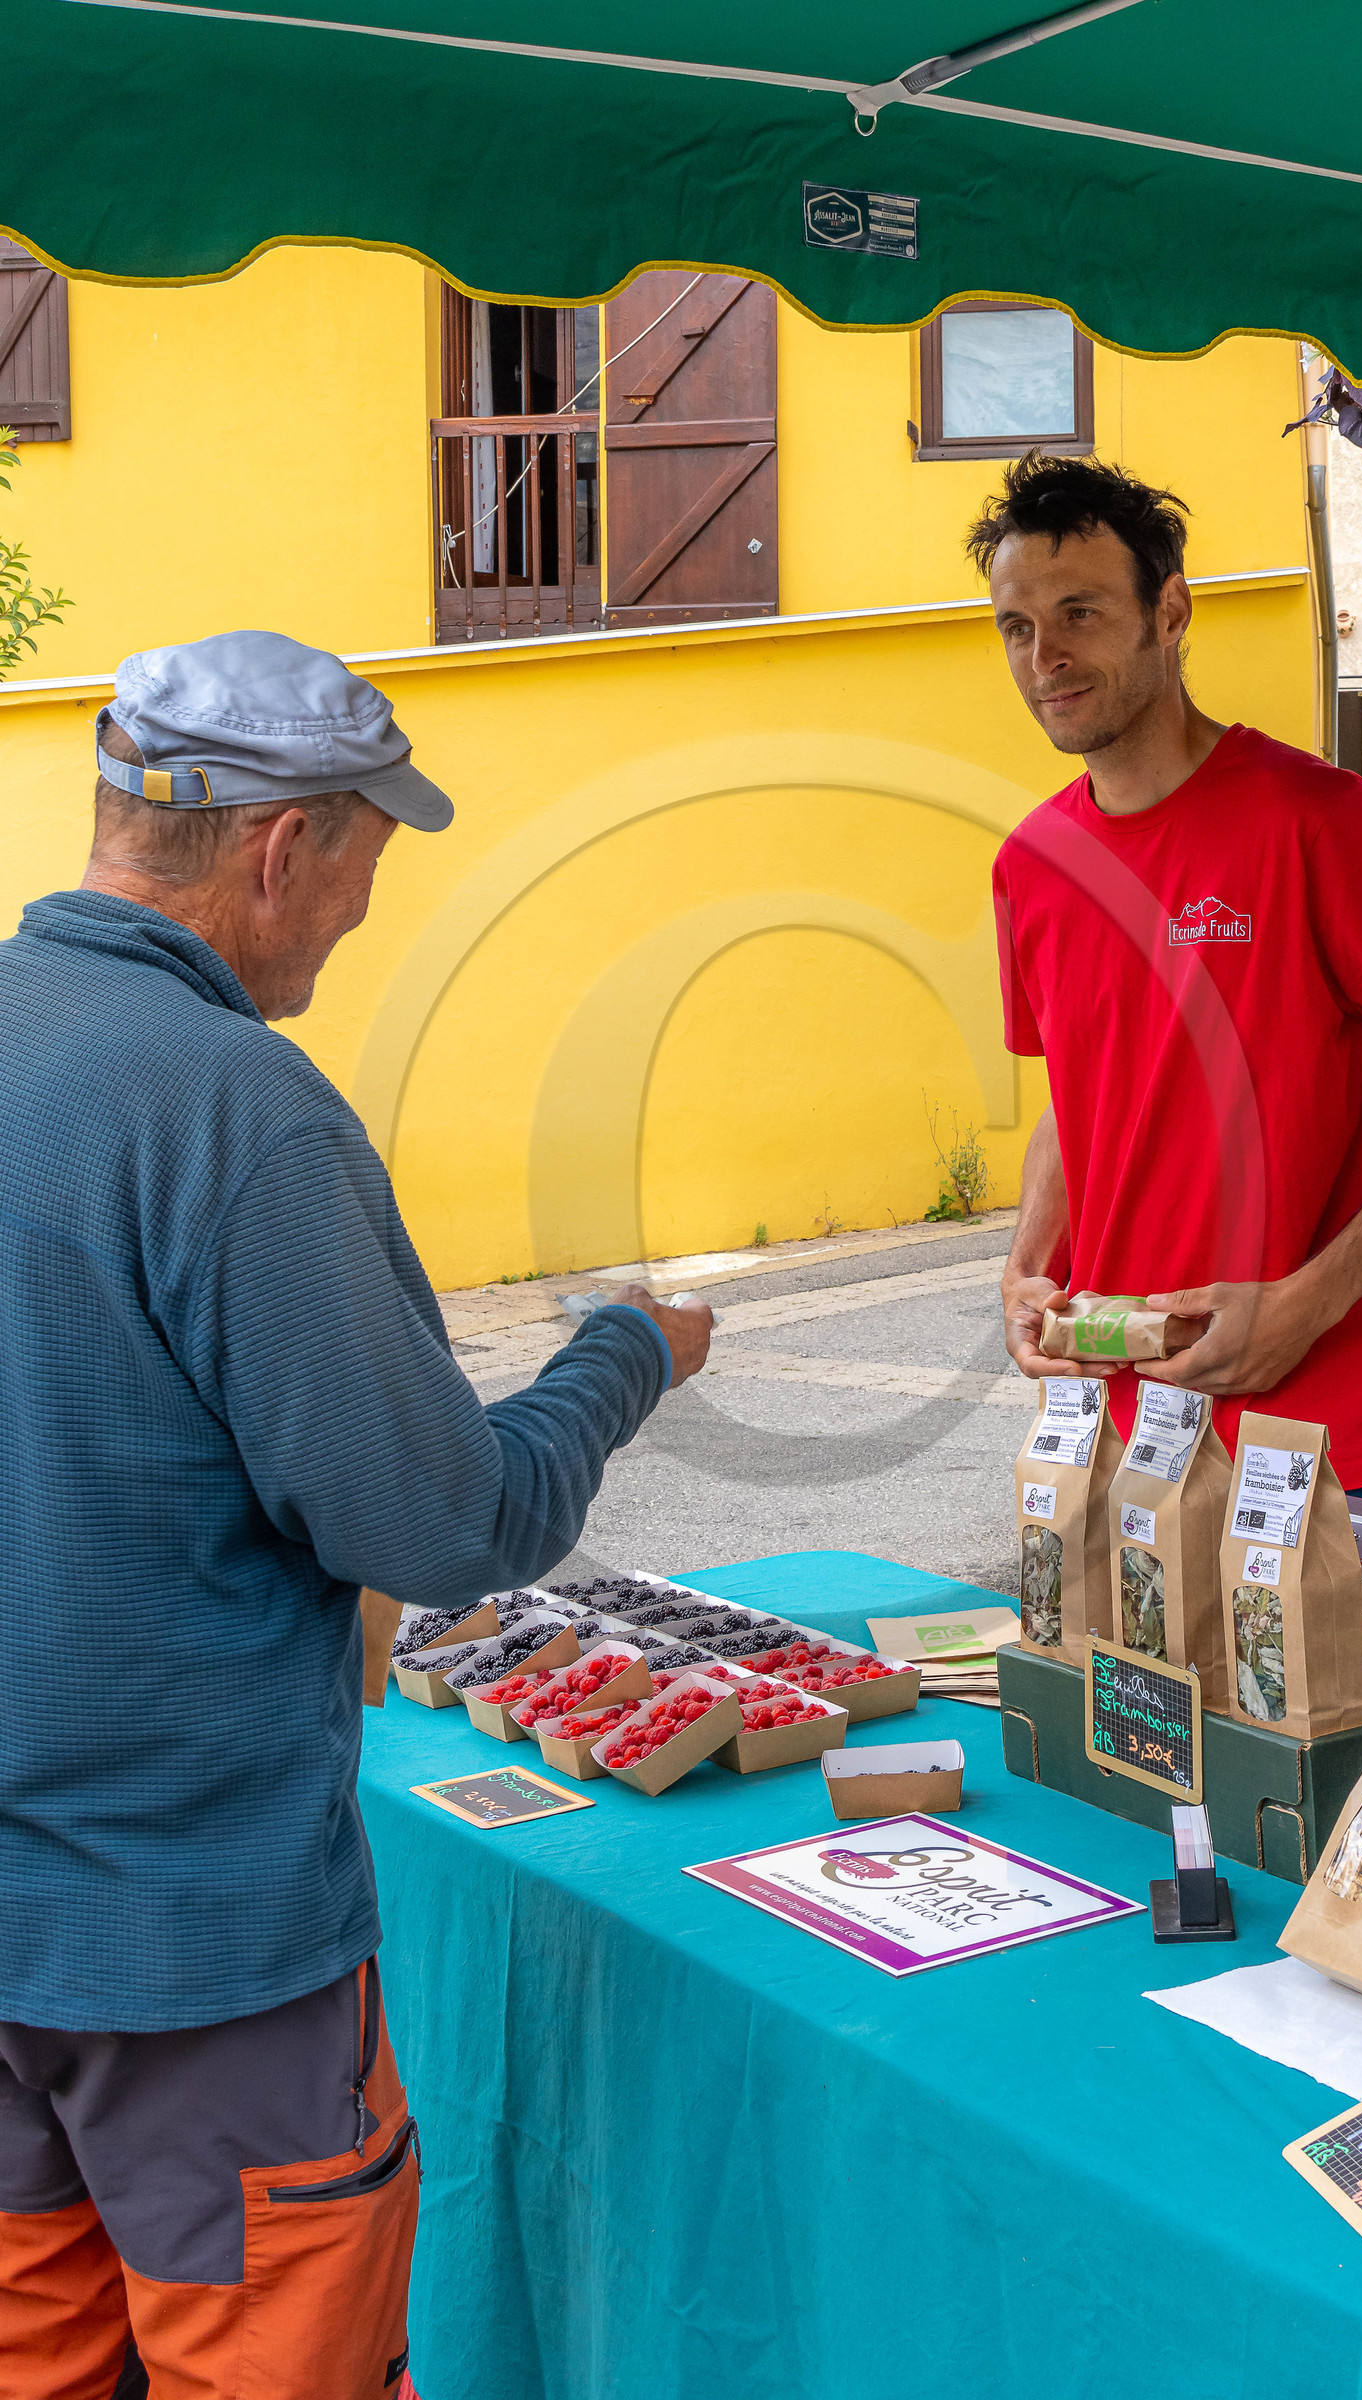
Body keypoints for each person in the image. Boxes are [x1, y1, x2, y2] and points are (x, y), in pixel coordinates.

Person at [0, 631, 711, 2400]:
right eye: (363, 869)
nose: (355, 919)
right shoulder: (239, 1114)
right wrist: (623, 1354)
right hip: (194, 1952)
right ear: (277, 847)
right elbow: (448, 1523)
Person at [978, 453, 1362, 1498]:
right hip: (1113, 1435)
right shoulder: (1029, 868)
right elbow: (1076, 1092)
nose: (1043, 655)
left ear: (1170, 611)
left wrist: (1306, 1305)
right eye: (1017, 626)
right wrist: (1026, 1265)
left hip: (1306, 1436)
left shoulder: (1312, 823)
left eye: (1080, 613)